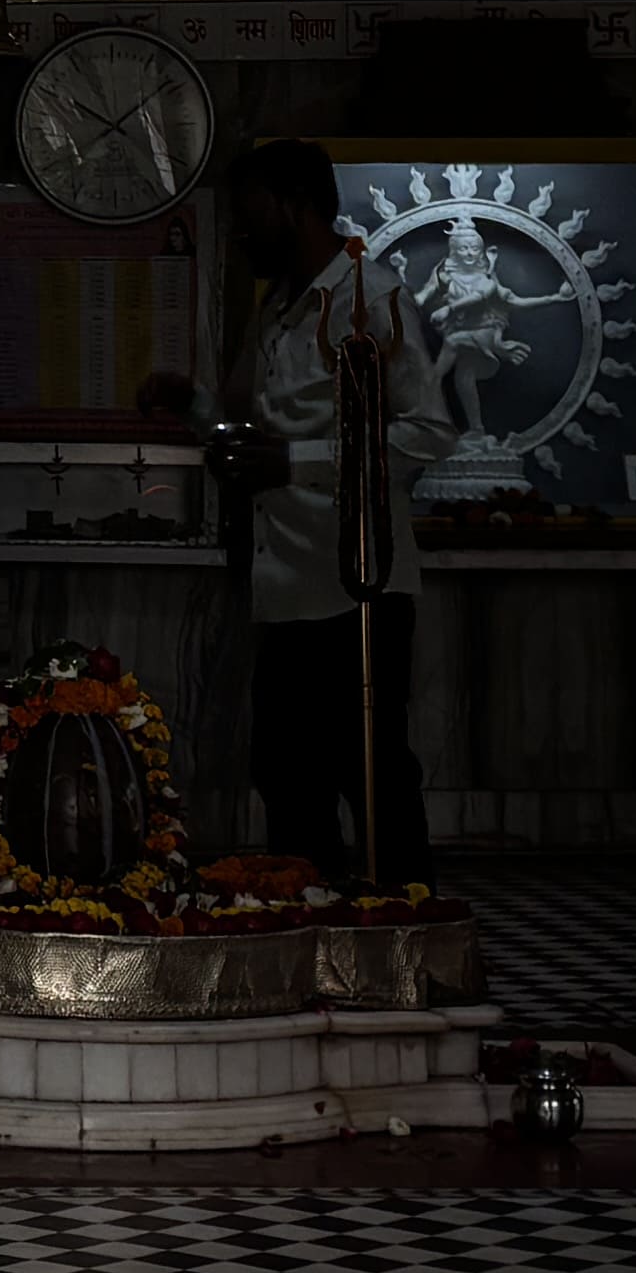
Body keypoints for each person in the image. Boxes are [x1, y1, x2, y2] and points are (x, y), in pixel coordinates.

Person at [235, 138, 459, 886]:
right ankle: (311, 936)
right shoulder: (278, 311)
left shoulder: (370, 298)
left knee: (371, 776)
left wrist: (292, 462)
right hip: (286, 587)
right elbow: (272, 426)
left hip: (357, 584)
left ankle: (405, 935)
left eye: (251, 210)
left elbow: (427, 428)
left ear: (294, 204)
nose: (241, 229)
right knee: (285, 775)